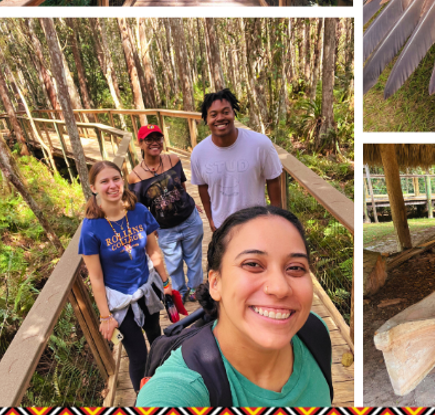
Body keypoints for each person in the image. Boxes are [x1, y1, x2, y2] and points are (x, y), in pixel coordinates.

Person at [136, 206, 331, 406]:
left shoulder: (314, 331)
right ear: (215, 283)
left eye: (296, 268)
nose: (280, 288)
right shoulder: (181, 386)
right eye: (253, 264)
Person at [80, 160, 172, 392]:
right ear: (93, 187)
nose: (112, 185)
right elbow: (96, 277)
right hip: (120, 300)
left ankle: (164, 384)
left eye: (116, 178)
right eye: (104, 181)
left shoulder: (138, 211)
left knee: (157, 338)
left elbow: (153, 251)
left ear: (123, 181)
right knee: (138, 355)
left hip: (146, 288)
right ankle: (145, 399)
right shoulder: (91, 228)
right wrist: (104, 316)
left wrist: (166, 282)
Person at [128, 124, 204, 303]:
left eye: (158, 138)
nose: (155, 143)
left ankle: (195, 289)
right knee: (174, 263)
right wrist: (148, 227)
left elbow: (181, 186)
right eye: (149, 139)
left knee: (194, 259)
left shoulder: (174, 160)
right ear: (140, 143)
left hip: (189, 219)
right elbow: (139, 208)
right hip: (164, 228)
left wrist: (190, 202)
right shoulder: (135, 176)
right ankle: (180, 291)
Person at [190, 89, 283, 232]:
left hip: (257, 224)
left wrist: (276, 217)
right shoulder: (199, 153)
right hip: (223, 227)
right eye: (213, 115)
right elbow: (202, 187)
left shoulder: (260, 144)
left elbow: (273, 179)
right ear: (206, 119)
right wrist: (210, 219)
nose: (220, 118)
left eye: (226, 112)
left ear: (234, 114)